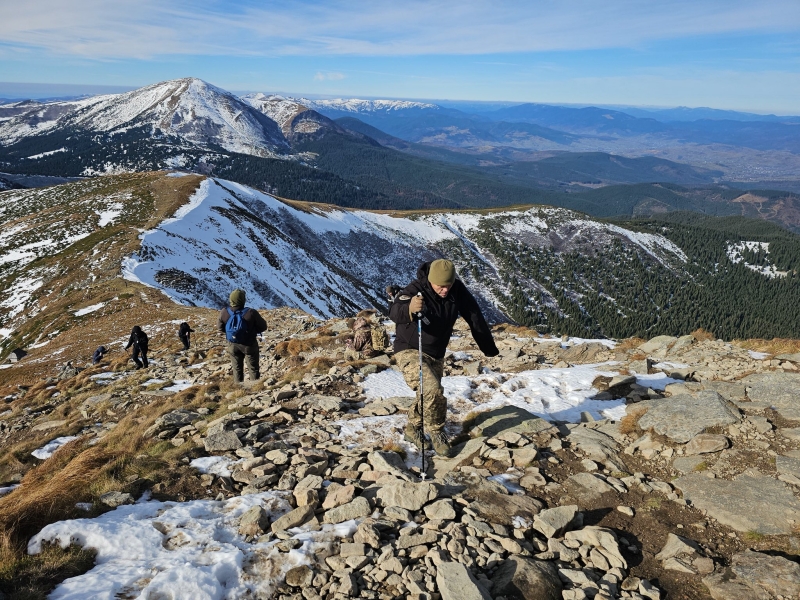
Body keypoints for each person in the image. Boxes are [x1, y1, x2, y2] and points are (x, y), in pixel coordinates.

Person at [389, 259, 499, 456]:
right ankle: (438, 432)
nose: (445, 290)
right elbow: (395, 311)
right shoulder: (415, 290)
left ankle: (413, 429)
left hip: (437, 353)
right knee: (431, 389)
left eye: (448, 286)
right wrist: (410, 309)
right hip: (410, 348)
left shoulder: (457, 289)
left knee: (429, 395)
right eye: (440, 287)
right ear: (431, 281)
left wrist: (488, 348)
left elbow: (474, 316)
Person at [218, 289, 267, 384]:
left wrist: (233, 333)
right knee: (253, 368)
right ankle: (255, 387)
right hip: (249, 344)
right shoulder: (251, 312)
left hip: (232, 344)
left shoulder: (224, 312)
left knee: (237, 369)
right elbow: (263, 327)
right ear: (243, 300)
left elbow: (220, 328)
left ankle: (238, 389)